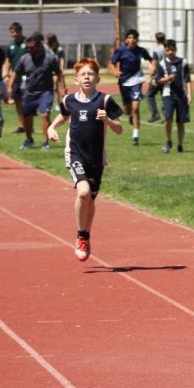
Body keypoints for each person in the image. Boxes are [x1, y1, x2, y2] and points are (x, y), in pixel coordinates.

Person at [47, 59, 123, 262]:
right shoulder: (69, 100)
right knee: (83, 192)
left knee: (91, 199)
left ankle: (86, 235)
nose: (87, 77)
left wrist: (107, 120)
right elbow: (63, 116)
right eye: (83, 74)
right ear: (76, 79)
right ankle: (81, 235)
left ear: (98, 78)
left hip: (96, 158)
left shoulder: (105, 100)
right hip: (75, 154)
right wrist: (51, 127)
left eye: (91, 74)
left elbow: (119, 129)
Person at [10, 33, 64, 151]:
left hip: (45, 92)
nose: (30, 49)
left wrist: (62, 88)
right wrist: (10, 86)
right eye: (28, 47)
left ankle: (45, 142)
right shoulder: (25, 58)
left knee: (45, 115)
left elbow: (59, 73)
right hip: (29, 92)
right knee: (27, 117)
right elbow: (15, 72)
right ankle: (29, 139)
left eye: (32, 47)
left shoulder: (49, 58)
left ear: (39, 46)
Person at [109, 28, 152, 146]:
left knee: (136, 108)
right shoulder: (121, 51)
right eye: (129, 38)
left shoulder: (141, 51)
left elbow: (152, 60)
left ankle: (136, 136)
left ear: (137, 40)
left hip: (137, 81)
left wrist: (151, 72)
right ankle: (130, 116)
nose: (132, 40)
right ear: (126, 40)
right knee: (128, 110)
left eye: (134, 38)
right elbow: (112, 63)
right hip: (124, 82)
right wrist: (114, 72)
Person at [154, 39, 191, 154]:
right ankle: (168, 141)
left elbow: (188, 80)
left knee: (181, 122)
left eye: (172, 49)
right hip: (168, 94)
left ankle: (180, 145)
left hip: (181, 95)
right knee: (168, 118)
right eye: (167, 50)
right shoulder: (162, 64)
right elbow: (158, 80)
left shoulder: (183, 62)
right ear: (165, 50)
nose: (170, 52)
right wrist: (167, 79)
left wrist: (189, 94)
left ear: (176, 49)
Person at [4, 22, 28, 130]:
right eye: (12, 32)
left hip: (27, 77)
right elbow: (8, 60)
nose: (14, 34)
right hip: (15, 77)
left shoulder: (27, 43)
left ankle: (28, 124)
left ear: (21, 31)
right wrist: (6, 73)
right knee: (17, 101)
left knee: (26, 101)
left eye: (16, 31)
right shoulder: (10, 45)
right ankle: (22, 125)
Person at [146, 31, 166, 123]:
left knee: (150, 95)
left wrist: (150, 76)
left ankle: (155, 114)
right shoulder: (168, 49)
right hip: (166, 76)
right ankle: (166, 115)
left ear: (156, 39)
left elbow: (154, 64)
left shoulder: (156, 51)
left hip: (158, 76)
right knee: (164, 96)